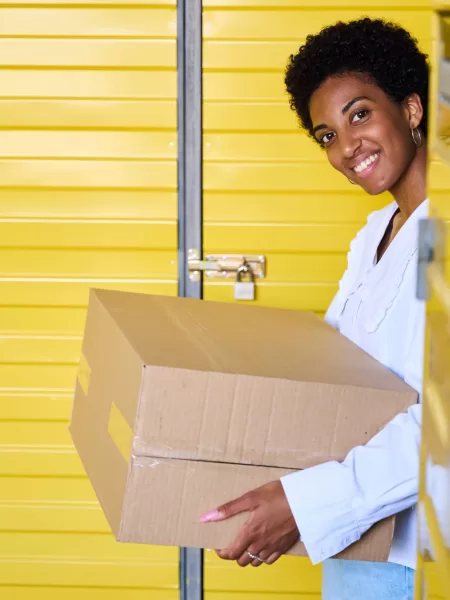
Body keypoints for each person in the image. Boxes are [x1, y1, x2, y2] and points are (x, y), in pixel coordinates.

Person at [199, 18, 429, 600]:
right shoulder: (375, 233)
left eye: (359, 114)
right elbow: (335, 375)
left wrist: (303, 503)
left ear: (412, 108)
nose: (347, 148)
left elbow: (442, 428)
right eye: (326, 135)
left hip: (424, 557)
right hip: (359, 542)